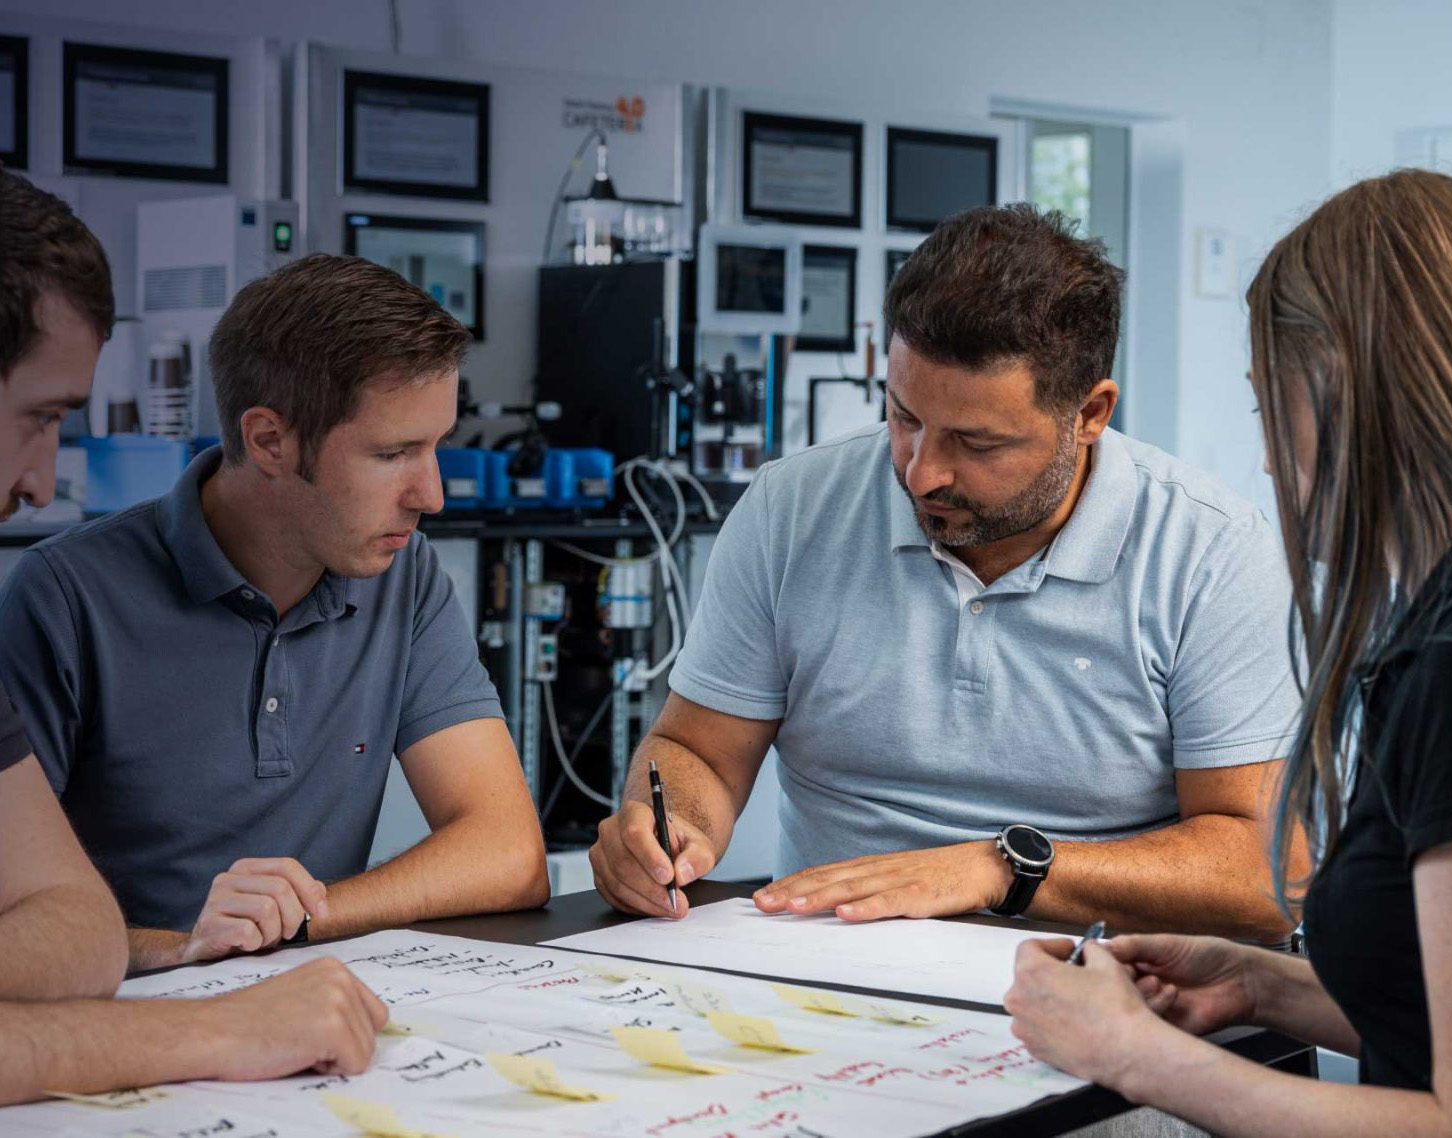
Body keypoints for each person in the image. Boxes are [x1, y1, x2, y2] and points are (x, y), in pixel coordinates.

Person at [590, 203, 1303, 940]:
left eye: (977, 443)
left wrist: (1002, 870)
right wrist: (668, 827)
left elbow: (1263, 870)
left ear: (1089, 414)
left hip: (1105, 983)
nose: (922, 472)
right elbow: (696, 750)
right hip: (825, 969)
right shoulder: (791, 509)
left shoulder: (1211, 553)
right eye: (903, 417)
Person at [1004, 169, 1452, 1135]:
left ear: (1350, 389)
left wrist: (1132, 1057)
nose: (1267, 459)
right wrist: (1261, 987)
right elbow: (1436, 1018)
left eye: (1271, 410)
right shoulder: (1440, 626)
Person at [0, 249, 548, 975]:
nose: (432, 494)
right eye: (394, 453)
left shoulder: (402, 574)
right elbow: (13, 927)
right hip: (126, 1020)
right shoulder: (66, 597)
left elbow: (509, 852)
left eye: (437, 447)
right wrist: (189, 950)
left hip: (305, 1006)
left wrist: (298, 921)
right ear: (269, 441)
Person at [0, 168, 388, 1106]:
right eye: (39, 419)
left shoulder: (399, 582)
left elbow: (80, 926)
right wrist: (214, 1027)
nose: (41, 486)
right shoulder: (65, 590)